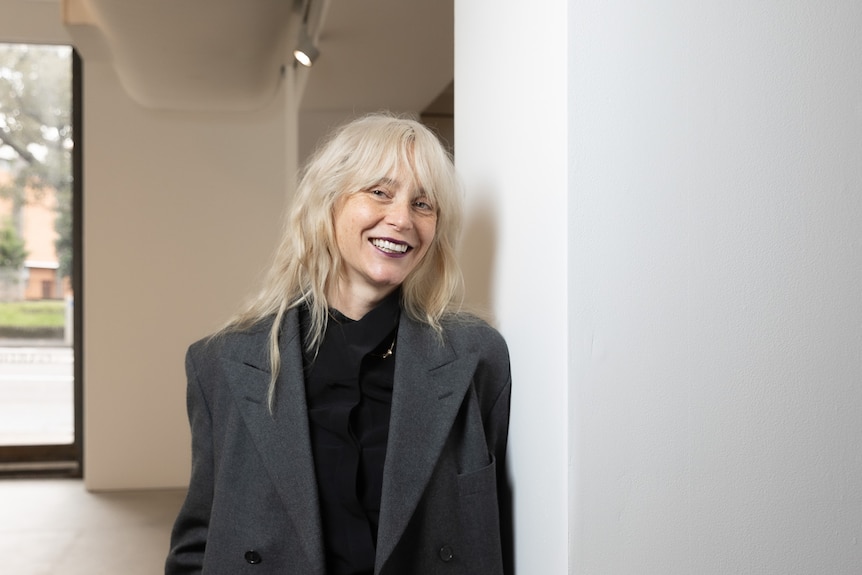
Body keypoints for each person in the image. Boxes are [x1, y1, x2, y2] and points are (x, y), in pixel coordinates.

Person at [165, 113, 512, 575]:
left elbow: (491, 533)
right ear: (328, 202)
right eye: (380, 192)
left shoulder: (475, 357)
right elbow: (199, 542)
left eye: (423, 204)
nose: (402, 219)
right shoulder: (222, 362)